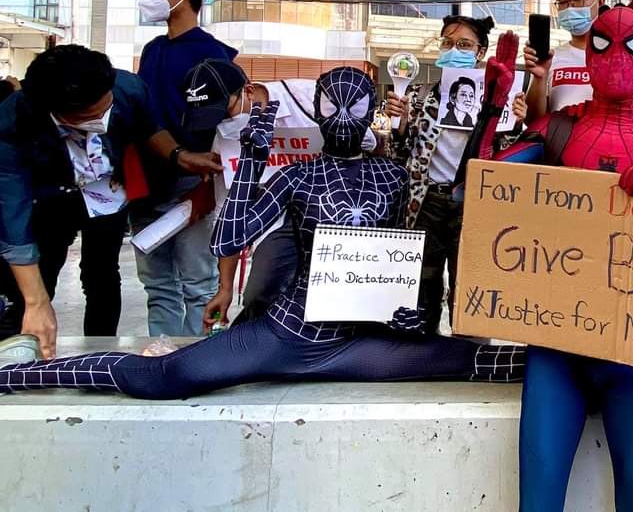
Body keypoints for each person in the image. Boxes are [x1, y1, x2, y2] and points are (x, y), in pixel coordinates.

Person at [0, 68, 525, 395]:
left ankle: (595, 375)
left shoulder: (393, 176)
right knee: (168, 377)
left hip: (364, 339)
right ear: (316, 111)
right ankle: (17, 376)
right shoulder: (296, 174)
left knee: (478, 361)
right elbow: (228, 241)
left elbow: (417, 250)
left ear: (372, 111)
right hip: (288, 331)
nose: (342, 116)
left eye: (356, 105)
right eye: (331, 104)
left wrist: (404, 312)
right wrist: (250, 162)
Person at [470, 0, 633, 512]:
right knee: (539, 502)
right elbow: (481, 188)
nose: (617, 57)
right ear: (587, 54)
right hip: (558, 340)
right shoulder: (557, 128)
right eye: (604, 44)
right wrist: (492, 106)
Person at [0, 45, 219, 362]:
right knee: (40, 275)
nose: (103, 120)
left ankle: (98, 354)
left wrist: (180, 156)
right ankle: (25, 348)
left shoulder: (126, 87)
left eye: (108, 109)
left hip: (107, 194)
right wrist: (36, 301)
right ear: (54, 111)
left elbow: (150, 129)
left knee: (101, 274)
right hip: (50, 197)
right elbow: (12, 216)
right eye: (91, 117)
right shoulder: (13, 122)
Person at [180, 60, 380, 330]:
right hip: (278, 221)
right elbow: (230, 211)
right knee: (259, 294)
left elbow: (370, 145)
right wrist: (225, 288)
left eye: (223, 112)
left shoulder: (311, 98)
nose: (222, 123)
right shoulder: (225, 136)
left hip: (339, 213)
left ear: (248, 91)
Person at [384, 15, 526, 334]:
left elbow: (506, 156)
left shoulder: (497, 98)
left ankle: (468, 348)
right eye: (447, 43)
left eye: (463, 44)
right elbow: (400, 155)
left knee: (470, 280)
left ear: (480, 52)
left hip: (474, 204)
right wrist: (400, 123)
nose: (453, 50)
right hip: (426, 203)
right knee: (423, 279)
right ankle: (422, 345)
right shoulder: (418, 96)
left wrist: (517, 122)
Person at [125, 0, 235, 337]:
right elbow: (143, 115)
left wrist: (210, 183)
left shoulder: (215, 54)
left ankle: (198, 360)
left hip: (193, 184)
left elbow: (230, 127)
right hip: (146, 183)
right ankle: (163, 356)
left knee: (198, 283)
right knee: (157, 287)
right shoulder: (153, 50)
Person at [523, 0, 633, 123]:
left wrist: (617, 100)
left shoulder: (627, 54)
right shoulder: (551, 58)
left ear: (600, 0)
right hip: (561, 146)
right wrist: (540, 77)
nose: (570, 7)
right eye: (562, 1)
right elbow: (533, 121)